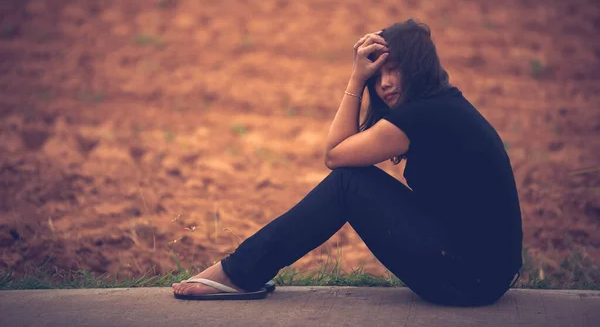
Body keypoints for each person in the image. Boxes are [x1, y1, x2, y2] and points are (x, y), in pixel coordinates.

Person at [172, 19, 523, 306]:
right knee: (351, 181)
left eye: (395, 70)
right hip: (481, 275)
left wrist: (356, 78)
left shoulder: (423, 116)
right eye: (377, 75)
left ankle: (239, 272)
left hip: (469, 280)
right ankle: (245, 269)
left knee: (348, 184)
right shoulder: (441, 107)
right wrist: (359, 75)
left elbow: (335, 154)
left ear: (418, 69)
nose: (384, 83)